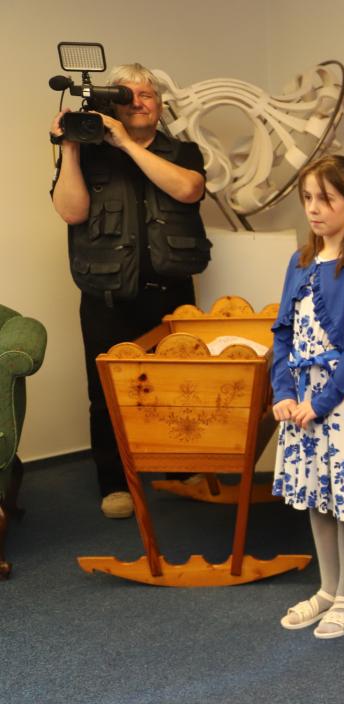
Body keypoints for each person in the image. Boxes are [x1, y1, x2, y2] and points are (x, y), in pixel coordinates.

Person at [50, 63, 211, 519]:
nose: (138, 102)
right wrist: (71, 150)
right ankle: (115, 483)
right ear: (112, 104)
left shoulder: (183, 151)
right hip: (107, 296)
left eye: (147, 95)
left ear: (159, 105)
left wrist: (125, 142)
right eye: (126, 95)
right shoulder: (90, 154)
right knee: (107, 395)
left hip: (170, 295)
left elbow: (189, 190)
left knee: (179, 388)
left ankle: (182, 470)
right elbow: (71, 212)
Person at [271, 155, 344, 639]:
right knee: (317, 493)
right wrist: (284, 391)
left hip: (343, 400)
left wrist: (321, 402)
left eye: (326, 199)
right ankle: (327, 588)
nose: (314, 209)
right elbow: (282, 333)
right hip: (301, 397)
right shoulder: (299, 262)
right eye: (308, 199)